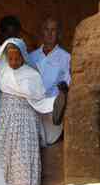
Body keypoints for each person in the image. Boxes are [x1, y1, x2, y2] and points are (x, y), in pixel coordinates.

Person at [0, 38, 54, 185]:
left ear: (23, 57)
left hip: (24, 121)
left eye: (17, 59)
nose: (13, 62)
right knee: (2, 157)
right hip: (4, 119)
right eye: (10, 59)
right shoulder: (0, 70)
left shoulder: (31, 75)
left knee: (21, 160)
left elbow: (38, 96)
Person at [30, 17, 71, 145]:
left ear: (59, 34)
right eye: (46, 30)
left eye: (53, 30)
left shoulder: (66, 57)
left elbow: (67, 83)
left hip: (52, 110)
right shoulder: (32, 56)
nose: (49, 33)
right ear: (42, 32)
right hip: (33, 107)